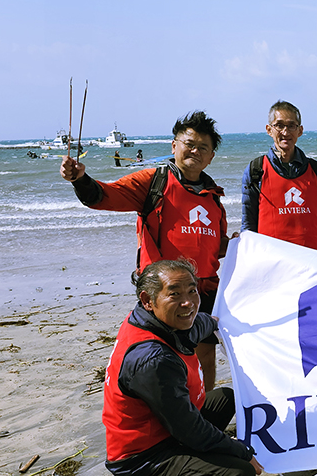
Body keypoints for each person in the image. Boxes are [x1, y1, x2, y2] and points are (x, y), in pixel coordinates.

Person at [60, 111, 227, 393]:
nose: (195, 151)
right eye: (189, 143)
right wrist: (80, 179)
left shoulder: (214, 197)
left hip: (204, 291)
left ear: (211, 157)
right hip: (164, 291)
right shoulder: (154, 182)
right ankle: (173, 417)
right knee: (167, 356)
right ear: (174, 146)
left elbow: (214, 246)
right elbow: (103, 196)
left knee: (205, 355)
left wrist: (236, 245)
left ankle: (204, 414)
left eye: (203, 148)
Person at [103, 259, 264, 476]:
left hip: (166, 430)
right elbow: (190, 430)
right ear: (148, 299)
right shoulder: (152, 359)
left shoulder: (162, 322)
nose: (188, 302)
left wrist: (222, 323)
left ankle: (186, 470)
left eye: (192, 291)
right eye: (174, 294)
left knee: (224, 398)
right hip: (143, 458)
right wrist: (240, 450)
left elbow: (201, 323)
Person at [240, 101, 317, 255]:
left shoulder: (315, 169)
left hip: (315, 259)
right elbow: (248, 223)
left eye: (291, 126)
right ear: (269, 129)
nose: (285, 132)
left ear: (300, 130)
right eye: (279, 125)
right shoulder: (256, 169)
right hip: (274, 260)